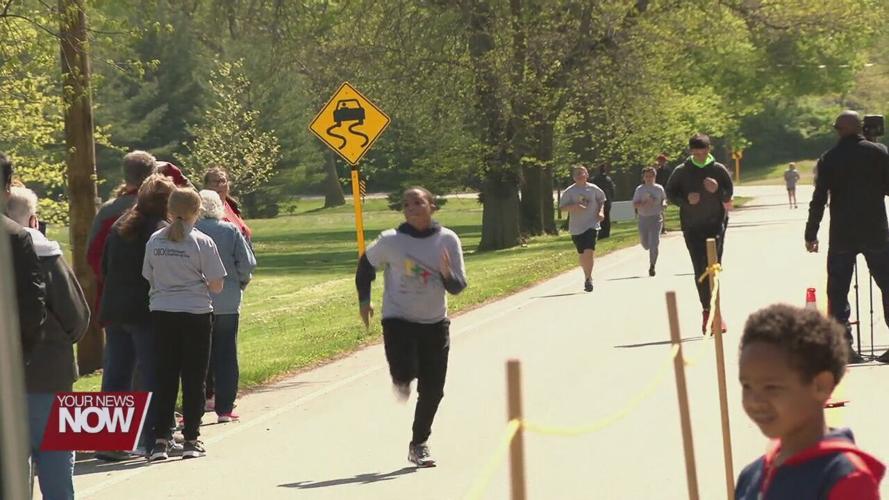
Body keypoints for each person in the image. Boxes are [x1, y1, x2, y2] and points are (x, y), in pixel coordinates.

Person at [355, 187, 467, 467]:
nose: (412, 208)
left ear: (432, 205)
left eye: (418, 202)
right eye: (407, 204)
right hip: (398, 319)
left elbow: (457, 287)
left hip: (434, 322)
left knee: (433, 390)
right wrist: (364, 301)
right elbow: (365, 266)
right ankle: (403, 376)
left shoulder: (447, 240)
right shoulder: (391, 241)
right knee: (404, 372)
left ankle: (419, 444)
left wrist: (446, 273)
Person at [735, 304, 884, 499]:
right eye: (747, 386)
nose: (755, 401)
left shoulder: (845, 478)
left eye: (771, 387)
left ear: (821, 386)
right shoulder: (751, 476)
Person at [8, 186, 90, 500]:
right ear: (33, 219)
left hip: (9, 380)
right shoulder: (46, 255)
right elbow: (76, 316)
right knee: (56, 456)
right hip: (49, 371)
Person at [143, 188, 226, 461]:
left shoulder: (155, 240)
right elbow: (216, 284)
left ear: (169, 209)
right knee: (194, 376)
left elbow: (149, 275)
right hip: (195, 313)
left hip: (163, 312)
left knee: (165, 375)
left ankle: (160, 440)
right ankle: (191, 437)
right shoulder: (202, 241)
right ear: (197, 211)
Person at [99, 174, 176, 458]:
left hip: (115, 308)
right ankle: (152, 436)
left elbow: (104, 266)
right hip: (145, 310)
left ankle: (109, 441)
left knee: (116, 374)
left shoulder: (120, 225)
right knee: (151, 373)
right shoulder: (160, 230)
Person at [805, 110, 889, 364]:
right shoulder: (878, 152)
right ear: (862, 127)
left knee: (838, 291)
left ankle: (844, 347)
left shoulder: (829, 158)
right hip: (875, 231)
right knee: (888, 285)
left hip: (842, 234)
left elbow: (819, 199)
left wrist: (811, 232)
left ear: (837, 130)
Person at [196, 189, 256, 423]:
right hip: (228, 300)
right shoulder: (229, 230)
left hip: (198, 300)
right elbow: (247, 262)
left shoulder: (192, 231)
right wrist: (240, 281)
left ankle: (199, 403)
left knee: (199, 355)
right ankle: (225, 408)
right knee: (226, 353)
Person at [665, 133, 733, 333]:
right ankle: (706, 311)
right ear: (691, 151)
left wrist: (717, 189)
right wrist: (686, 200)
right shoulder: (682, 171)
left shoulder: (718, 169)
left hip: (716, 224)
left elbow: (729, 194)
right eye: (696, 152)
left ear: (708, 149)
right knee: (700, 269)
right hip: (692, 227)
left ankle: (717, 314)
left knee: (714, 268)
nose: (700, 155)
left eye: (703, 151)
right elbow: (670, 193)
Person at [87, 151, 157, 318]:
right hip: (149, 300)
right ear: (152, 175)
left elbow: (92, 254)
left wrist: (109, 280)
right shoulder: (158, 210)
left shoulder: (108, 211)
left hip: (113, 298)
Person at [559, 165, 606, 292]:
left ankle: (588, 279)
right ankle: (587, 274)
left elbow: (602, 200)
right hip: (576, 227)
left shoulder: (593, 189)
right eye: (577, 174)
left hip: (592, 224)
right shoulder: (570, 191)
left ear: (587, 175)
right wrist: (574, 206)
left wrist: (601, 212)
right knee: (582, 254)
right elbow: (562, 207)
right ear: (574, 177)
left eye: (582, 173)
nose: (580, 175)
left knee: (589, 251)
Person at [632, 166, 666, 277]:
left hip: (656, 218)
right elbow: (635, 204)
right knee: (645, 244)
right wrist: (644, 204)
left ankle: (652, 266)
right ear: (643, 177)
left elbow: (664, 199)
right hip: (643, 218)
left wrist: (664, 203)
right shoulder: (640, 189)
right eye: (647, 176)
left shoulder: (659, 188)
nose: (649, 178)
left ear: (655, 176)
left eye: (651, 176)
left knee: (654, 244)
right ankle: (647, 246)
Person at [203, 167, 252, 241]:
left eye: (222, 181)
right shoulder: (204, 209)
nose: (219, 185)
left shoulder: (232, 206)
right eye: (214, 181)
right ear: (206, 185)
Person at [590, 163, 615, 239]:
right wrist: (611, 198)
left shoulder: (594, 179)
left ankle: (599, 233)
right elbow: (612, 190)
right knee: (606, 217)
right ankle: (606, 233)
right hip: (607, 200)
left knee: (598, 217)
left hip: (597, 201)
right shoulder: (608, 179)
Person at [655, 154, 673, 235]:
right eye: (659, 161)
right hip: (656, 191)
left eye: (662, 161)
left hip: (665, 191)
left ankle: (663, 227)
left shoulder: (668, 170)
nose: (661, 162)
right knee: (658, 210)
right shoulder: (656, 171)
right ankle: (660, 227)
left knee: (662, 209)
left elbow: (671, 181)